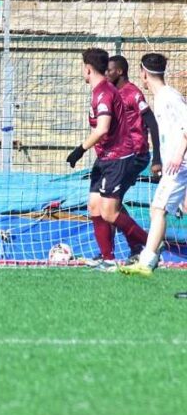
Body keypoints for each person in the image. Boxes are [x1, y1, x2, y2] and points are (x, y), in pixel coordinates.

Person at [66, 48, 149, 271]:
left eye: (83, 68)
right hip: (105, 157)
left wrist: (79, 150)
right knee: (94, 206)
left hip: (118, 158)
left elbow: (102, 128)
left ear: (88, 69)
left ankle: (151, 244)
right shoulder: (101, 91)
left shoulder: (103, 93)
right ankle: (108, 259)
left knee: (110, 212)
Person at [120, 54, 187, 276]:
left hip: (179, 166)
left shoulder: (168, 97)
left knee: (158, 209)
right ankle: (151, 256)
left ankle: (146, 261)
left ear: (143, 73)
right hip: (174, 166)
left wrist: (178, 155)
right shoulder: (161, 97)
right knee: (158, 210)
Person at [105, 54, 162, 261]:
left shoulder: (133, 93)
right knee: (111, 203)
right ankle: (134, 247)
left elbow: (152, 123)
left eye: (109, 70)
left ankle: (145, 246)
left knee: (110, 203)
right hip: (120, 156)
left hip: (136, 155)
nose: (106, 73)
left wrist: (157, 158)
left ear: (119, 71)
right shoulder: (112, 93)